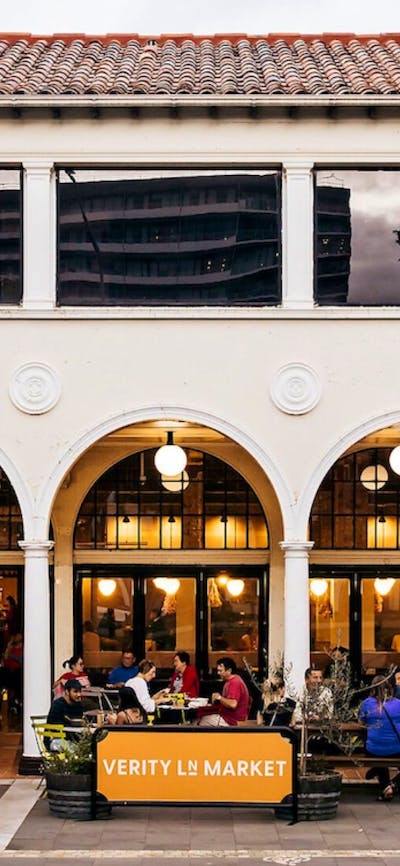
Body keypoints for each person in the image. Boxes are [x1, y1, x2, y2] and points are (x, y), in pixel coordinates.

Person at [359, 675, 400, 800]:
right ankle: (393, 784)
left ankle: (386, 786)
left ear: (372, 688)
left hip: (373, 749)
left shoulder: (367, 704)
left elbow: (361, 722)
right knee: (386, 751)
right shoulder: (398, 704)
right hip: (396, 749)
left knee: (380, 752)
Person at [198, 657, 250, 727]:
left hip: (231, 720)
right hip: (228, 717)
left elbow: (233, 704)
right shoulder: (231, 681)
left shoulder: (234, 683)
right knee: (203, 717)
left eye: (220, 671)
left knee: (202, 720)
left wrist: (219, 697)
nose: (218, 673)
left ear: (229, 670)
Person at [46, 679, 84, 751]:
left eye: (80, 691)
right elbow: (53, 726)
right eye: (75, 691)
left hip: (73, 740)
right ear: (67, 692)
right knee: (75, 749)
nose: (79, 694)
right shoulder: (58, 705)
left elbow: (79, 722)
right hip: (56, 739)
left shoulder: (79, 705)